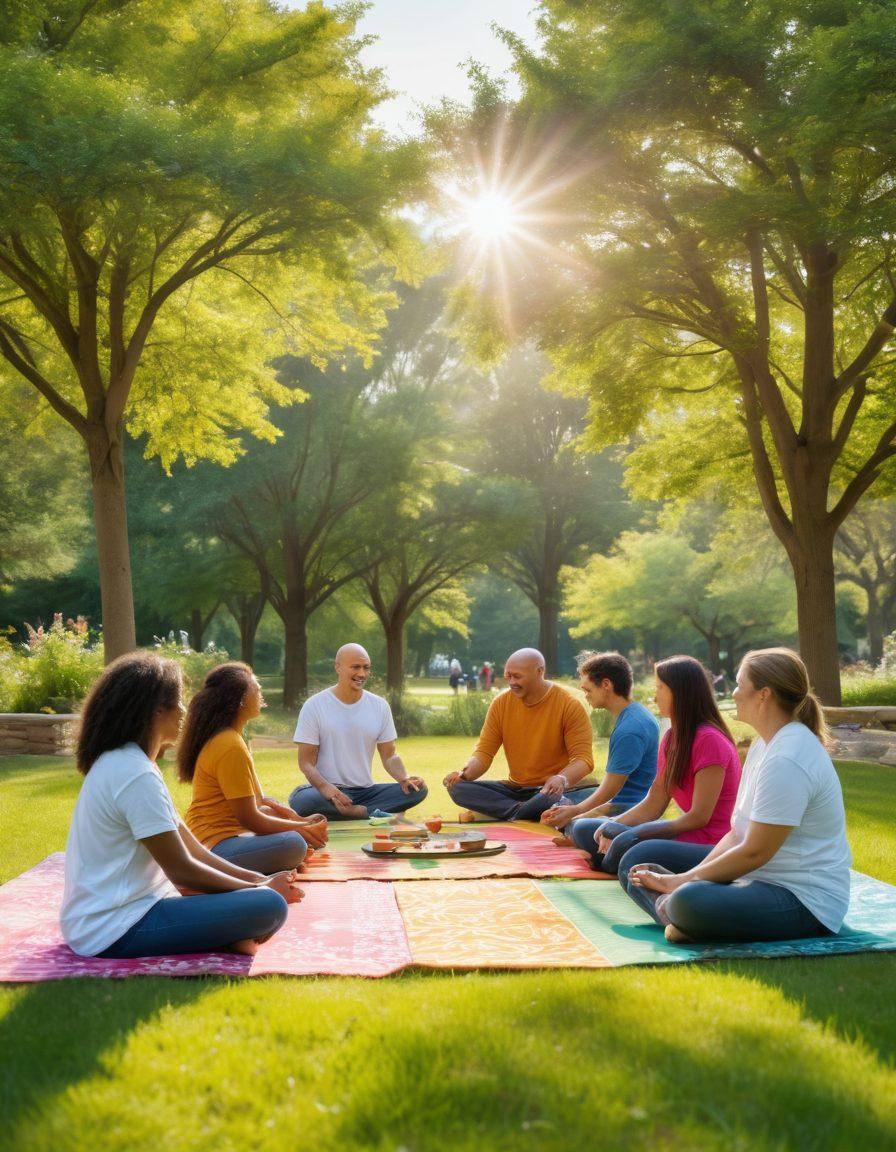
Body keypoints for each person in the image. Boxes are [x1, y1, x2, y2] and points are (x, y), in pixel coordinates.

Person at [60, 653, 300, 960]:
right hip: (114, 928)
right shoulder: (132, 773)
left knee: (263, 897)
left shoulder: (133, 763)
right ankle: (231, 934)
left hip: (132, 911)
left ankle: (229, 934)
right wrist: (259, 892)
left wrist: (259, 880)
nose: (185, 710)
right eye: (179, 701)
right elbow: (182, 869)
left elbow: (196, 851)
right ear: (157, 709)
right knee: (269, 907)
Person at [622, 647, 852, 944]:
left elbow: (755, 851)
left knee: (688, 899)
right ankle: (687, 919)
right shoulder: (763, 746)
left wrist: (680, 883)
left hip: (803, 901)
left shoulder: (788, 758)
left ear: (763, 694)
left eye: (740, 685)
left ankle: (686, 916)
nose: (733, 694)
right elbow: (736, 834)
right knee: (638, 867)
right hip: (756, 879)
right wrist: (683, 877)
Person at [571, 655, 741, 874]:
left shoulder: (710, 740)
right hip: (682, 835)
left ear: (680, 692)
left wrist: (637, 833)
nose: (654, 695)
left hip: (710, 845)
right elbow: (655, 801)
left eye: (660, 688)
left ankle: (615, 863)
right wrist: (614, 824)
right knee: (585, 829)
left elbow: (699, 817)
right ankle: (613, 862)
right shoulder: (672, 737)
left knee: (635, 853)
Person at [180, 663, 328, 874]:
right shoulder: (229, 744)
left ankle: (275, 860)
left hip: (227, 838)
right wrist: (302, 830)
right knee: (293, 844)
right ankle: (282, 859)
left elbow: (260, 802)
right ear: (240, 701)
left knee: (274, 814)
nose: (260, 691)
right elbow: (250, 819)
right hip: (213, 849)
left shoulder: (233, 738)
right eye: (256, 687)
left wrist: (295, 818)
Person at [443, 647, 596, 822]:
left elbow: (583, 760)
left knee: (551, 798)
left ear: (540, 672)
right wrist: (463, 775)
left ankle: (518, 811)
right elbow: (484, 753)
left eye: (517, 676)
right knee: (459, 789)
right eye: (508, 676)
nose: (511, 682)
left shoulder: (568, 705)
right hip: (514, 790)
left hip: (549, 790)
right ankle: (522, 812)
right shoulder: (501, 703)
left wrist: (561, 779)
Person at [289, 643, 427, 820]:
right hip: (327, 792)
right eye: (355, 667)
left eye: (366, 668)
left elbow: (390, 755)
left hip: (367, 792)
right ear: (338, 667)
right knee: (303, 801)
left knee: (418, 791)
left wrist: (404, 778)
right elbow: (306, 763)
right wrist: (326, 788)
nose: (362, 674)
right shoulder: (314, 706)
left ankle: (354, 811)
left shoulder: (380, 706)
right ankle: (365, 812)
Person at [541, 651, 659, 844]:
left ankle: (574, 834)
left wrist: (576, 813)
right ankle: (571, 825)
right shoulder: (636, 714)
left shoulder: (630, 729)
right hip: (621, 801)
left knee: (577, 825)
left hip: (627, 807)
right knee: (557, 800)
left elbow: (610, 791)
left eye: (588, 690)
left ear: (606, 685)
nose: (585, 695)